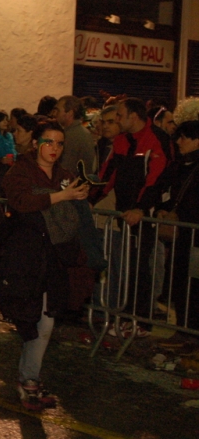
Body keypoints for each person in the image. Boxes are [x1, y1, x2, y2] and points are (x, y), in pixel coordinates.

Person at [0, 120, 89, 411]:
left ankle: (29, 380)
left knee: (46, 319)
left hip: (53, 258)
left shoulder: (65, 175)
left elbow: (74, 206)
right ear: (36, 144)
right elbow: (21, 201)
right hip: (24, 258)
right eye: (48, 142)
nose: (54, 149)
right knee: (29, 317)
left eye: (59, 143)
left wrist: (80, 195)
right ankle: (28, 379)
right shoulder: (19, 170)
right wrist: (61, 196)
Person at [92, 97, 169, 333]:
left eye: (119, 116)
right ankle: (125, 316)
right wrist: (89, 199)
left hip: (143, 216)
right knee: (127, 266)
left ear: (133, 117)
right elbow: (109, 174)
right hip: (125, 215)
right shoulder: (122, 141)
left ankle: (140, 320)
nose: (116, 120)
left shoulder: (156, 139)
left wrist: (141, 208)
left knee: (141, 267)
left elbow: (157, 179)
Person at [154, 120, 199, 328]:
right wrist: (164, 208)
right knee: (181, 283)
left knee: (193, 285)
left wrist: (182, 217)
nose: (179, 142)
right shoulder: (179, 165)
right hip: (181, 237)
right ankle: (183, 328)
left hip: (193, 237)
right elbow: (165, 189)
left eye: (184, 137)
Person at [54, 95, 95, 176]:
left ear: (69, 113)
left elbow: (65, 168)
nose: (55, 114)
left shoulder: (72, 136)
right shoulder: (80, 131)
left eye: (58, 111)